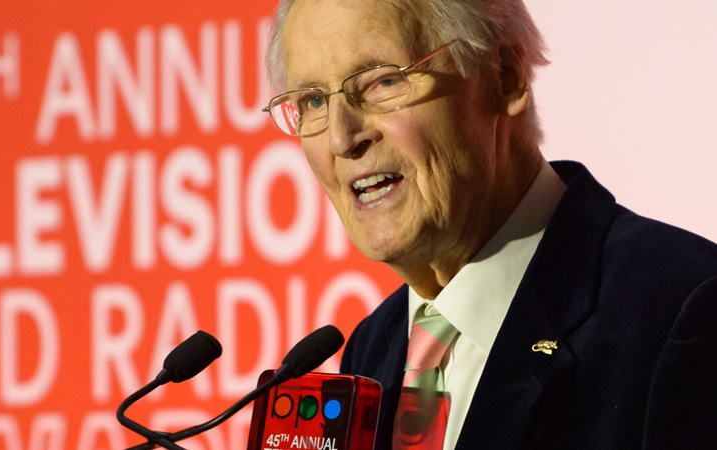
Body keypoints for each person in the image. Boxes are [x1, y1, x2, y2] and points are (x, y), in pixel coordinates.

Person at [261, 0, 717, 448]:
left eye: (382, 81)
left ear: (506, 77)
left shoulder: (684, 311)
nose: (342, 137)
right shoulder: (372, 348)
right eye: (314, 100)